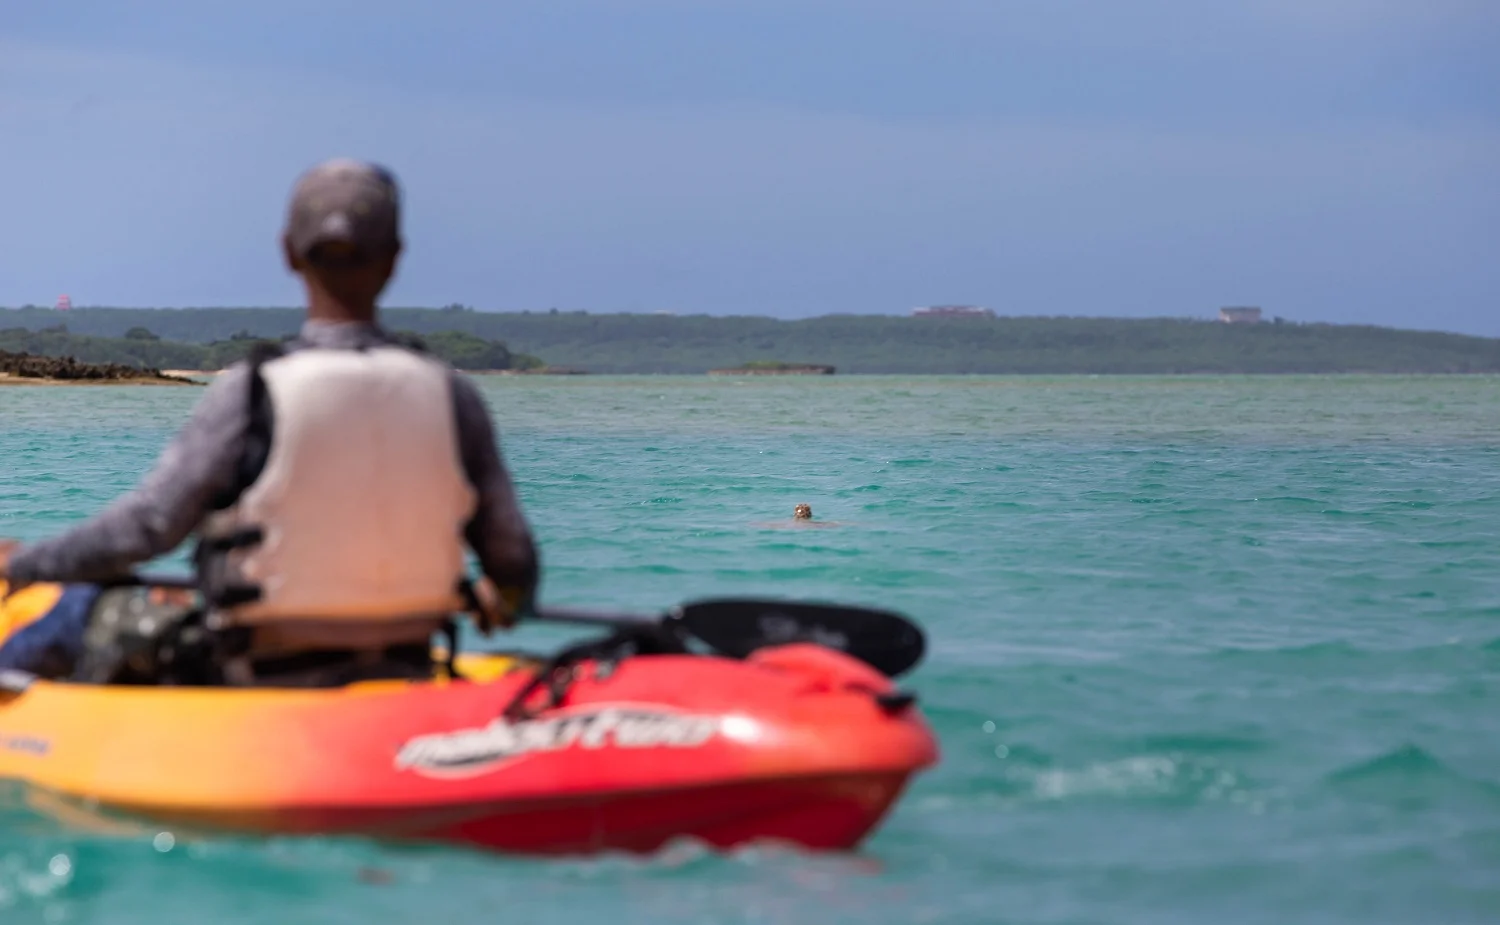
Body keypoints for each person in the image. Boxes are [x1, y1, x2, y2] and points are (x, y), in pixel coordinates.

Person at [0, 158, 539, 686]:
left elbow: (145, 528)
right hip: (409, 658)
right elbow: (513, 566)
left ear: (288, 253)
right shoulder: (452, 394)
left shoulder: (254, 391)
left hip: (260, 668)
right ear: (395, 258)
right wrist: (499, 600)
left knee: (81, 603)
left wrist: (25, 564)